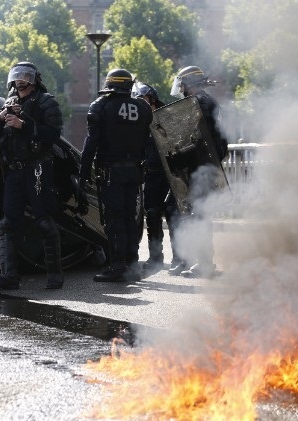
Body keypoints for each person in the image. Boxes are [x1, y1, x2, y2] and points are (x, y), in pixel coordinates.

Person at [0, 61, 65, 291]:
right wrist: (0, 119)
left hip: (38, 167)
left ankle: (55, 276)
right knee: (7, 224)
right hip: (15, 171)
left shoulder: (47, 102)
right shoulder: (9, 103)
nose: (21, 80)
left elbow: (53, 135)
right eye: (17, 76)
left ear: (34, 80)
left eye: (25, 76)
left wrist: (24, 124)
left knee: (45, 221)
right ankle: (9, 276)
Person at [78, 69, 153, 282]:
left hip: (111, 172)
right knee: (131, 217)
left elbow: (90, 143)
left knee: (114, 218)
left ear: (110, 85)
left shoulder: (101, 106)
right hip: (134, 171)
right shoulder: (143, 108)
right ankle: (132, 264)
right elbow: (150, 142)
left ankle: (117, 265)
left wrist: (83, 174)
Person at [166, 65, 229, 278]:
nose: (181, 88)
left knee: (199, 215)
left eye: (183, 84)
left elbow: (199, 142)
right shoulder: (209, 102)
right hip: (205, 167)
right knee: (198, 214)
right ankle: (199, 261)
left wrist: (178, 158)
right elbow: (221, 142)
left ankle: (204, 264)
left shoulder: (200, 104)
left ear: (190, 85)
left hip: (201, 168)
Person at [131, 82, 170, 272]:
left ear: (151, 99)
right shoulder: (139, 123)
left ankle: (181, 258)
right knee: (152, 215)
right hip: (151, 175)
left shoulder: (166, 117)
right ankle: (156, 257)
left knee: (174, 215)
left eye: (143, 100)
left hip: (171, 174)